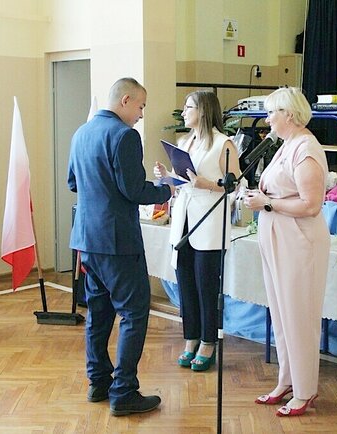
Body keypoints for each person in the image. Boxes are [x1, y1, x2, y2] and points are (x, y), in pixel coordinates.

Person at [68, 77, 174, 416]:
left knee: (98, 313)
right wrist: (166, 190)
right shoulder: (125, 136)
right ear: (125, 100)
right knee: (133, 312)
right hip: (117, 241)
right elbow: (134, 190)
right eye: (141, 106)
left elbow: (73, 182)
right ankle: (124, 391)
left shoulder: (81, 132)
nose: (141, 114)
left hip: (87, 240)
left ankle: (98, 382)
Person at [243, 87, 330, 417]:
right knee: (282, 315)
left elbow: (310, 205)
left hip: (300, 241)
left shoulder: (306, 149)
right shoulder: (286, 145)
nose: (267, 119)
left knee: (299, 316)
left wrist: (266, 203)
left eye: (271, 113)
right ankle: (287, 381)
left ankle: (305, 391)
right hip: (279, 236)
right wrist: (260, 198)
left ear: (289, 115)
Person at [153, 91, 241, 371]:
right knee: (186, 283)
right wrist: (166, 176)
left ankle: (208, 342)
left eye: (188, 107)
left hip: (209, 221)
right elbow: (183, 181)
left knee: (206, 285)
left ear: (203, 110)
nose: (183, 111)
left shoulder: (223, 143)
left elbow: (236, 184)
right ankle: (190, 338)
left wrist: (209, 184)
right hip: (184, 220)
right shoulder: (184, 142)